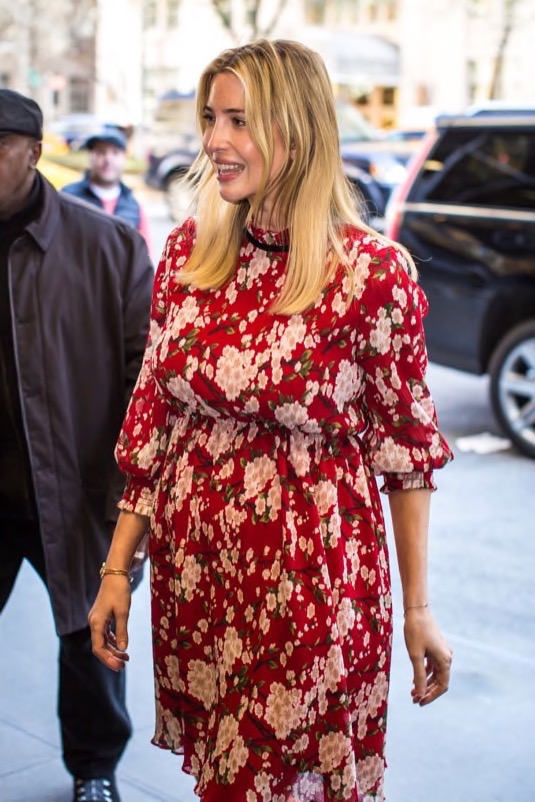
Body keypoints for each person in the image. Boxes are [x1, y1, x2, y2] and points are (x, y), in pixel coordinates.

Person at [89, 40, 454, 802]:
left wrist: (417, 609)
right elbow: (154, 421)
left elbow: (405, 452)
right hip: (199, 584)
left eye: (239, 121)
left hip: (310, 592)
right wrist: (117, 568)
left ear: (299, 129)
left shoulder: (370, 274)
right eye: (210, 119)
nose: (214, 141)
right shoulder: (189, 254)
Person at [0, 88, 154, 802]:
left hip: (78, 486)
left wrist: (130, 497)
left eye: (0, 146)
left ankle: (95, 770)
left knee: (92, 642)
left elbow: (144, 380)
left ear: (34, 153)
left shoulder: (109, 246)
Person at [62, 126, 151, 250]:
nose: (108, 159)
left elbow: (144, 254)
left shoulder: (134, 206)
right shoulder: (68, 198)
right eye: (101, 152)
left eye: (115, 153)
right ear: (91, 157)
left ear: (124, 158)